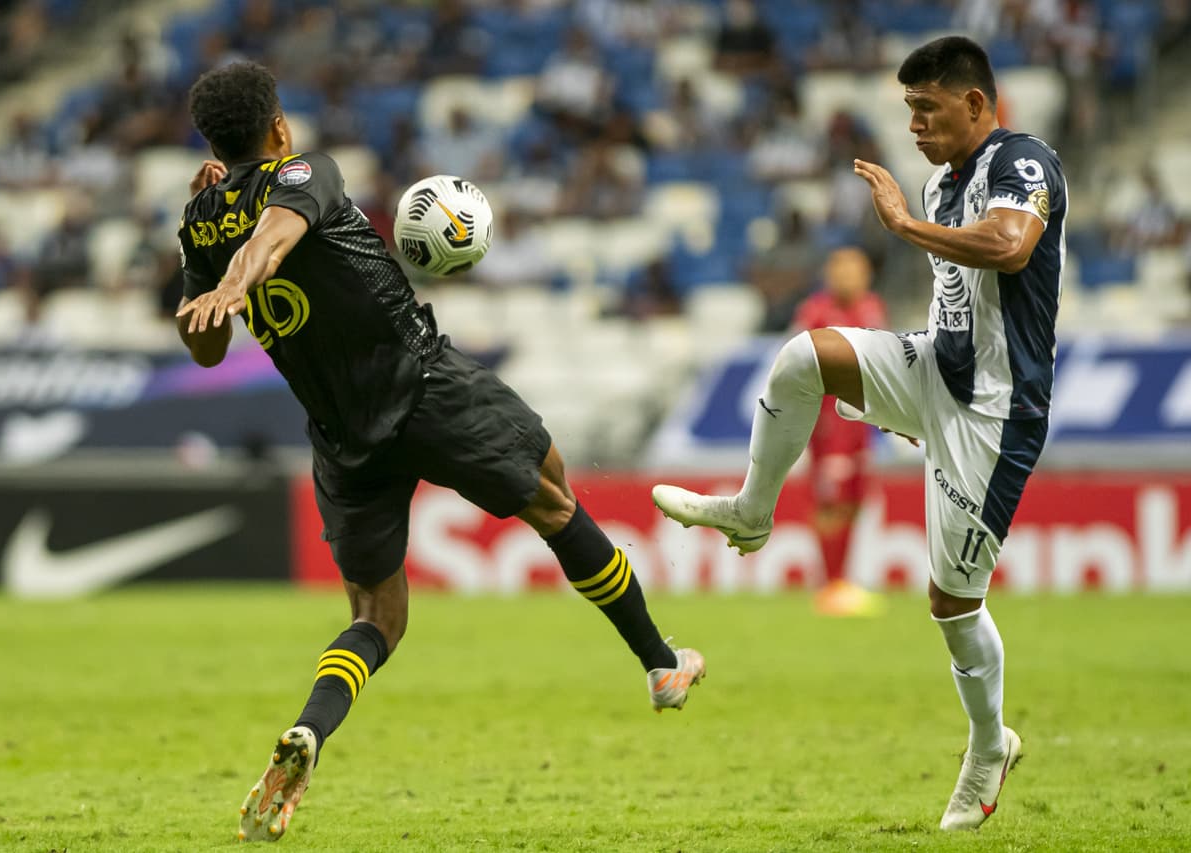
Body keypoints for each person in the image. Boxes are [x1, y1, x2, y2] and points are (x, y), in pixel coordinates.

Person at [174, 62, 704, 843]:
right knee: (554, 496)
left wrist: (219, 287)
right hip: (422, 383)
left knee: (377, 615)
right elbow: (277, 234)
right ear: (278, 127)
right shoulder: (305, 170)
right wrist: (243, 270)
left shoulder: (197, 222)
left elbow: (207, 349)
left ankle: (310, 732)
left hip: (341, 435)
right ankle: (660, 662)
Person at [653, 36, 1065, 831]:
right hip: (938, 374)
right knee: (802, 357)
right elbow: (956, 303)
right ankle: (752, 509)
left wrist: (905, 227)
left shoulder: (1023, 161)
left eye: (926, 107)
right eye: (906, 108)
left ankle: (989, 742)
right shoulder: (943, 183)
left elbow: (1012, 248)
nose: (912, 123)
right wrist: (903, 402)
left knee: (951, 602)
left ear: (975, 104)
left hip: (995, 411)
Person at [789, 246, 887, 616]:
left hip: (862, 424)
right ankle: (829, 585)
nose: (851, 277)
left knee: (855, 502)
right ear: (830, 274)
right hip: (829, 423)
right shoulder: (815, 311)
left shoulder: (873, 307)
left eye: (857, 270)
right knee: (829, 503)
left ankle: (842, 582)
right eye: (843, 269)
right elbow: (798, 365)